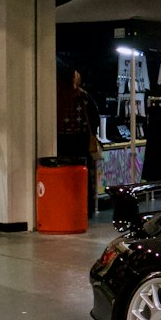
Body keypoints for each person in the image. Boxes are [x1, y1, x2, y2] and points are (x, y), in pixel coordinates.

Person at [56, 66, 101, 214]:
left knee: (62, 175)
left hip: (60, 141)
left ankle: (64, 205)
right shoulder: (83, 96)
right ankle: (85, 208)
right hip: (81, 141)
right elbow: (95, 117)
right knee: (82, 174)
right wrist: (92, 133)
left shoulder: (55, 95)